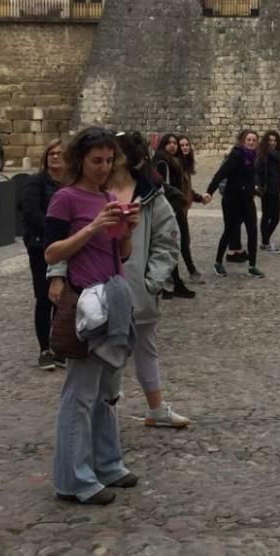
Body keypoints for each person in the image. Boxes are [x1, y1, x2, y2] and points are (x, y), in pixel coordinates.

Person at [44, 127, 140, 505]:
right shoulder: (64, 199)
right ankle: (74, 479)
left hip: (113, 299)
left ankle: (107, 463)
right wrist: (93, 226)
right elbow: (51, 253)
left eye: (108, 160)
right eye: (96, 160)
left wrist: (126, 231)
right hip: (87, 302)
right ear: (80, 160)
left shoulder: (108, 197)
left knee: (107, 393)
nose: (103, 167)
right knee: (80, 394)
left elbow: (122, 254)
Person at [103, 132, 190, 428]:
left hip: (139, 288)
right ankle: (105, 415)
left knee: (145, 349)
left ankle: (156, 409)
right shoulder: (93, 192)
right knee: (107, 354)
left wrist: (153, 280)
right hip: (100, 289)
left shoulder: (151, 195)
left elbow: (167, 240)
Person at [20, 139, 65, 370]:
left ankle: (58, 346)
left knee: (62, 299)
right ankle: (44, 349)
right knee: (44, 297)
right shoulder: (35, 182)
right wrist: (53, 233)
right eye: (51, 153)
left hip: (66, 247)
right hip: (41, 247)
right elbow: (30, 212)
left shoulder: (69, 184)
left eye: (59, 153)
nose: (55, 157)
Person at [204, 129, 264, 278]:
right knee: (229, 231)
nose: (251, 142)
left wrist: (256, 189)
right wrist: (209, 192)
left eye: (254, 140)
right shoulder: (236, 156)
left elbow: (251, 178)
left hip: (247, 199)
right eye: (248, 140)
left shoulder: (254, 157)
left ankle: (252, 266)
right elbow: (220, 174)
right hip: (232, 200)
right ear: (243, 141)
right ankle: (218, 263)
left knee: (252, 231)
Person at [153, 133, 195, 299]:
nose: (173, 146)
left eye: (175, 143)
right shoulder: (163, 162)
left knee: (177, 244)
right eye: (169, 143)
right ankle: (173, 283)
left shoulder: (174, 161)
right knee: (174, 244)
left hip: (177, 206)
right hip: (172, 208)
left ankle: (171, 284)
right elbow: (164, 186)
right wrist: (178, 197)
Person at [176, 135, 205, 285]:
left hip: (182, 209)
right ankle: (191, 272)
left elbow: (187, 190)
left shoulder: (184, 165)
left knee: (182, 242)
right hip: (176, 210)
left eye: (187, 144)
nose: (185, 147)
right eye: (182, 145)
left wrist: (199, 198)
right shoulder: (177, 166)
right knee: (182, 241)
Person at [256, 130, 280, 253]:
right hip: (267, 190)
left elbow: (278, 171)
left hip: (276, 188)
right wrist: (258, 186)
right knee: (267, 216)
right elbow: (257, 171)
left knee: (276, 217)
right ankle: (265, 243)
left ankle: (265, 240)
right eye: (270, 140)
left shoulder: (277, 155)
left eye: (275, 140)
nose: (273, 143)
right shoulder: (263, 155)